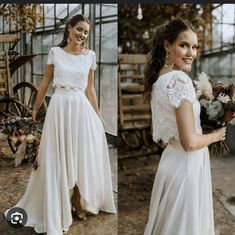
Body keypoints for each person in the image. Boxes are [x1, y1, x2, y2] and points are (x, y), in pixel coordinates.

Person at [4, 14, 116, 235]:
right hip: (59, 107)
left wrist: (99, 115)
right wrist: (35, 109)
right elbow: (45, 83)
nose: (83, 35)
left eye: (86, 32)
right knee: (57, 157)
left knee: (79, 154)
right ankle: (59, 203)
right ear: (70, 28)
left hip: (81, 108)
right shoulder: (55, 53)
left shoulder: (90, 56)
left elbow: (90, 89)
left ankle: (77, 199)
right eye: (79, 29)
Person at [143, 18, 226, 235]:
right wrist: (217, 135)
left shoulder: (160, 79)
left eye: (194, 46)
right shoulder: (180, 80)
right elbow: (190, 142)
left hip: (171, 160)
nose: (191, 52)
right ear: (167, 46)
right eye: (184, 45)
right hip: (187, 166)